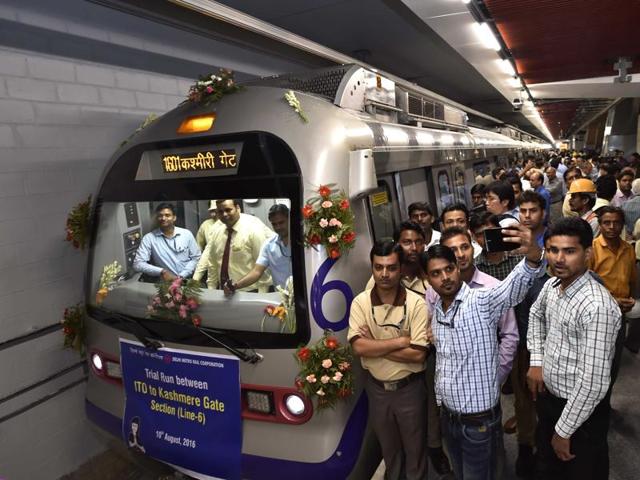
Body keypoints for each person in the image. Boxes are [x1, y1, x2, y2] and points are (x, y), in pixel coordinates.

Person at [425, 222, 545, 479]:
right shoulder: (437, 309)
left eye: (449, 269)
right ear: (429, 280)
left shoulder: (482, 300)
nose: (445, 277)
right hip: (449, 417)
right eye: (436, 273)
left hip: (477, 421)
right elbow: (445, 360)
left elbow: (515, 284)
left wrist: (534, 255)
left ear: (458, 268)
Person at [527, 218, 621, 480]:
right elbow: (536, 315)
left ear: (588, 254)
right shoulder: (553, 285)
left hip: (582, 416)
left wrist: (564, 430)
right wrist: (537, 360)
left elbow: (593, 383)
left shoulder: (597, 306)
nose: (559, 258)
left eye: (569, 251)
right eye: (553, 250)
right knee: (547, 468)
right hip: (550, 400)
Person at [364, 222, 451, 475]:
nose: (412, 247)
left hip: (431, 351)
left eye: (417, 242)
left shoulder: (432, 274)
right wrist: (396, 342)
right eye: (406, 242)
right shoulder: (382, 278)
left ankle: (435, 448)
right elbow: (366, 333)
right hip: (397, 363)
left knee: (432, 407)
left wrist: (376, 345)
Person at [348, 241, 429, 480]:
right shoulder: (360, 303)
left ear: (401, 268)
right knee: (390, 451)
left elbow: (418, 354)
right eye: (379, 267)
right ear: (372, 268)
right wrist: (401, 342)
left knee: (415, 450)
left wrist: (374, 345)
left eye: (391, 267)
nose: (384, 274)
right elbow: (358, 347)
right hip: (377, 390)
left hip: (409, 389)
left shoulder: (416, 303)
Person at [425, 227, 519, 388]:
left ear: (473, 247)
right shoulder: (434, 292)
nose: (461, 254)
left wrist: (497, 375)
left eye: (465, 247)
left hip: (485, 376)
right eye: (453, 250)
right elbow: (430, 331)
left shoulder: (492, 287)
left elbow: (509, 335)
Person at [588, 206, 637, 355]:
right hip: (598, 312)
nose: (612, 227)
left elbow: (631, 279)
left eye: (616, 223)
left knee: (616, 351)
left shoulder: (628, 249)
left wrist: (631, 299)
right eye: (607, 223)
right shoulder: (592, 249)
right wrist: (613, 300)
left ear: (622, 225)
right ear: (600, 224)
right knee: (597, 353)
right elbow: (587, 284)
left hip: (621, 310)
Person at [196, 199, 274, 291]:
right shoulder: (216, 232)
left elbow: (263, 267)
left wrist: (262, 296)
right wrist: (211, 289)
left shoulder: (253, 229)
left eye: (228, 210)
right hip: (224, 292)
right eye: (220, 211)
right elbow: (212, 264)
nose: (224, 214)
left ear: (238, 208)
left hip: (250, 292)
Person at [223, 204, 292, 293]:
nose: (278, 227)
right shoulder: (269, 245)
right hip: (282, 298)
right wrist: (235, 286)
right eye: (274, 224)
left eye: (281, 222)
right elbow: (256, 272)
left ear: (290, 220)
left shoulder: (305, 243)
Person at [133, 203, 201, 280]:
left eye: (167, 215)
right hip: (165, 284)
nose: (163, 218)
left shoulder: (186, 234)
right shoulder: (149, 238)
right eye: (160, 216)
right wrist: (162, 271)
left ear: (174, 218)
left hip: (188, 280)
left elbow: (196, 257)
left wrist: (182, 276)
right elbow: (138, 264)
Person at [471, 212, 524, 281]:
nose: (486, 238)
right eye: (480, 234)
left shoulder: (519, 256)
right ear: (474, 238)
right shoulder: (475, 267)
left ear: (499, 230)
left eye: (490, 232)